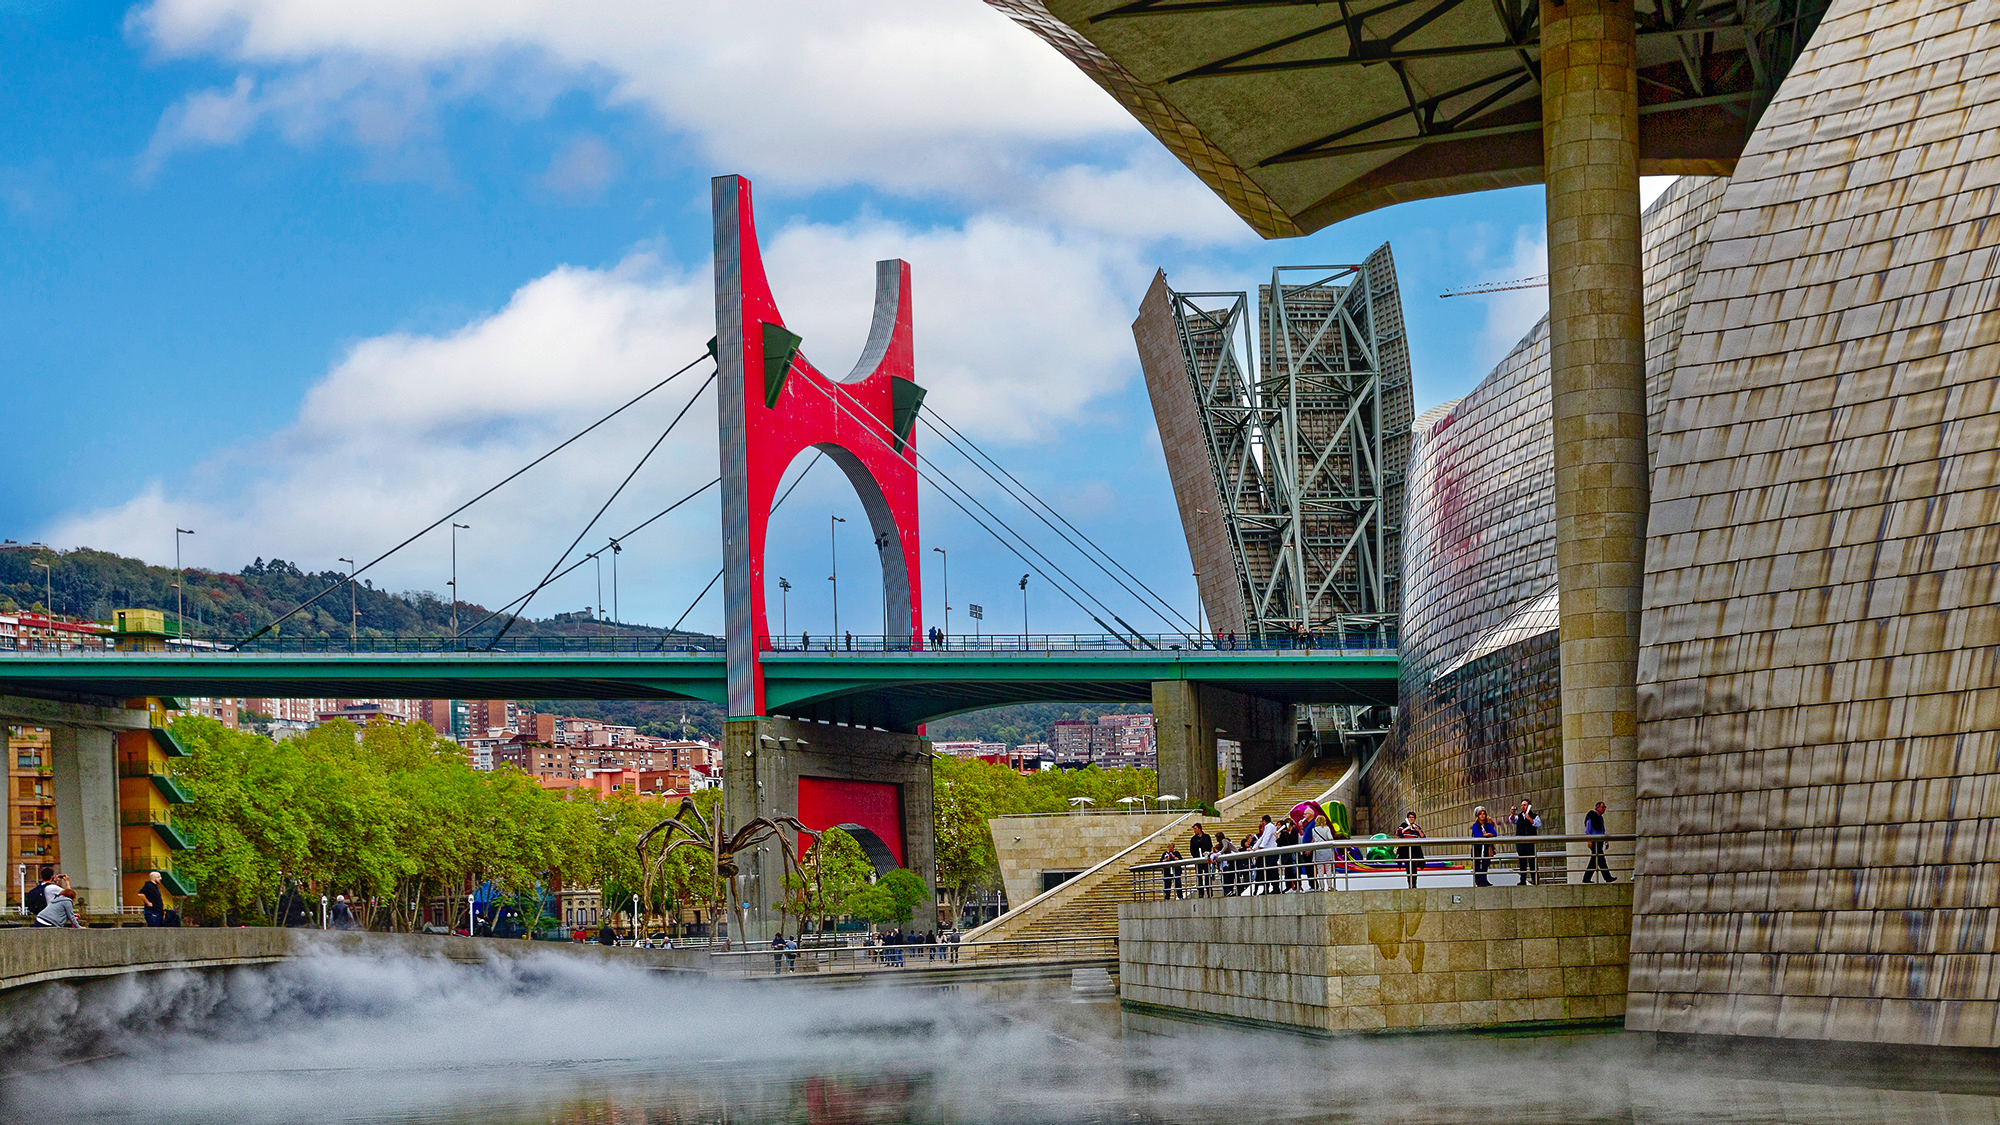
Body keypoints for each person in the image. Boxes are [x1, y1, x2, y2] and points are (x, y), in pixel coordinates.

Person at [1583, 800, 1615, 882]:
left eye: (1605, 807)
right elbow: (1588, 830)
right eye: (1603, 807)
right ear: (1597, 808)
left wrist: (1606, 841)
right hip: (1594, 841)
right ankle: (1607, 877)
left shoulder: (1600, 818)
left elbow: (1602, 831)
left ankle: (1586, 878)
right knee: (1600, 859)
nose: (1604, 809)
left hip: (1599, 841)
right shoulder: (1592, 817)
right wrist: (1589, 840)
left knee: (1595, 860)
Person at [1513, 800, 1541, 885]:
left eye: (1525, 805)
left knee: (1532, 861)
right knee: (1522, 861)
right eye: (1522, 805)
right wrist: (1513, 813)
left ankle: (1535, 878)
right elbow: (1513, 820)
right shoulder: (1519, 816)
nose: (1523, 807)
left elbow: (1538, 824)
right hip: (1521, 842)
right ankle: (1523, 879)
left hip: (1530, 842)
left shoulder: (1534, 816)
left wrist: (1530, 819)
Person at [1395, 812, 1426, 888]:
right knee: (1408, 866)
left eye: (1413, 817)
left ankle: (1414, 884)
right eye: (1410, 817)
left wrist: (1418, 830)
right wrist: (1407, 828)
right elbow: (1398, 834)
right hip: (1405, 850)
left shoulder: (1416, 827)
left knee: (1414, 867)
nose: (1411, 819)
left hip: (1414, 849)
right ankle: (1410, 884)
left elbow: (1423, 837)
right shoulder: (1403, 825)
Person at [1470, 806, 1499, 886]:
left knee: (1485, 863)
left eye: (1483, 814)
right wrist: (1486, 835)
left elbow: (1494, 833)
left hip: (1486, 847)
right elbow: (1476, 835)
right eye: (1480, 814)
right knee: (1477, 863)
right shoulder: (1475, 825)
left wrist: (1488, 834)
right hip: (1478, 847)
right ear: (1477, 816)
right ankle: (1478, 881)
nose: (1482, 816)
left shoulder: (1488, 825)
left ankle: (1484, 879)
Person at [1310, 813, 1338, 891]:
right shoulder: (1327, 828)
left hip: (1318, 851)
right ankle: (1329, 886)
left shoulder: (1314, 830)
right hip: (1327, 850)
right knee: (1328, 869)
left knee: (1320, 870)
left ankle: (1321, 887)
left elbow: (1315, 839)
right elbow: (1330, 837)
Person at [1253, 816, 1279, 894]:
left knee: (1272, 871)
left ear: (1264, 821)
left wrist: (1260, 847)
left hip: (1270, 852)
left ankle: (1275, 888)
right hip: (1268, 852)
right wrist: (1255, 847)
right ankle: (1267, 889)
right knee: (1267, 872)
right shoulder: (1269, 827)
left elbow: (1266, 838)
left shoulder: (1269, 826)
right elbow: (1262, 838)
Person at [1188, 822, 1214, 898]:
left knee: (1207, 875)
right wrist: (1196, 856)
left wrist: (1207, 853)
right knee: (1199, 876)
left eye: (1195, 829)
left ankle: (1209, 891)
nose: (1194, 831)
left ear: (1199, 829)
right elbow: (1192, 850)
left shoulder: (1206, 837)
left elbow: (1210, 846)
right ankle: (1200, 892)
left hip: (1206, 859)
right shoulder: (1193, 839)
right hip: (1198, 860)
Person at [1275, 817, 1300, 891]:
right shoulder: (1285, 833)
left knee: (1293, 870)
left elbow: (1290, 842)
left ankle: (1296, 885)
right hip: (1288, 854)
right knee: (1289, 870)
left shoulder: (1292, 832)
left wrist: (1277, 838)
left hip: (1291, 853)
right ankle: (1290, 885)